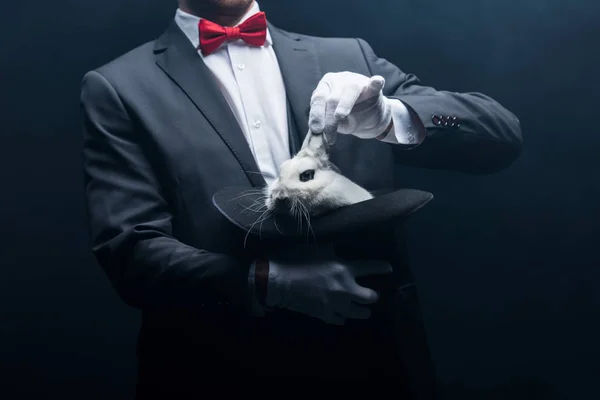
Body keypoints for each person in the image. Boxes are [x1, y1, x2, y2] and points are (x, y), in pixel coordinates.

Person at [80, 0, 522, 398]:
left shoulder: (351, 57)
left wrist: (390, 117)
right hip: (216, 369)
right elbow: (128, 249)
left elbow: (500, 136)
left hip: (374, 363)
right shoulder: (117, 87)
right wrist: (268, 282)